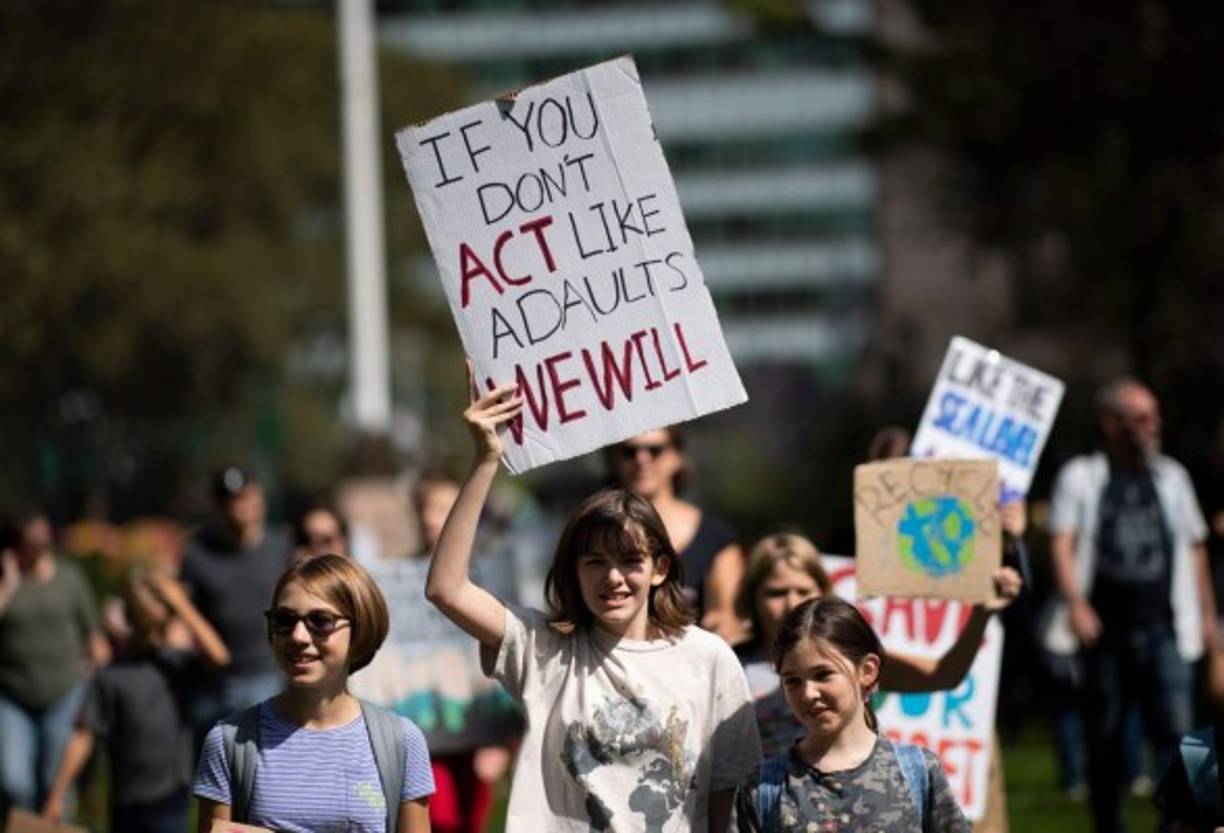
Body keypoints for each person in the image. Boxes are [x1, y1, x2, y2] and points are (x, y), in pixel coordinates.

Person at [426, 376, 762, 833]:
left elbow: (731, 788)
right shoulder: (543, 648)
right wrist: (486, 459)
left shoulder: (709, 659)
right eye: (595, 562)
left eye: (630, 560)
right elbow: (447, 588)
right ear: (572, 570)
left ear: (660, 567)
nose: (613, 578)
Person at [1045, 378, 1216, 833]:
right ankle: (1109, 825)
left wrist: (1207, 619)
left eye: (1154, 416)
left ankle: (1176, 826)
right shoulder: (1081, 477)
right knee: (1106, 738)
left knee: (1179, 740)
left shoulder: (1172, 477)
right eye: (1141, 417)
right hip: (1105, 633)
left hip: (1165, 628)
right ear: (1111, 424)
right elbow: (1062, 542)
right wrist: (1076, 605)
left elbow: (1196, 548)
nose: (1152, 426)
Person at [194, 553, 434, 832]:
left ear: (360, 630)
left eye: (320, 621)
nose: (298, 636)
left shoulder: (401, 742)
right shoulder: (230, 742)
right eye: (284, 620)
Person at [734, 532, 1023, 758]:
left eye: (803, 590)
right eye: (776, 592)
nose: (791, 602)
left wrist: (981, 614)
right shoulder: (731, 663)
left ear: (823, 592)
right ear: (752, 597)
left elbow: (943, 675)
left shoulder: (848, 656)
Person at [351, 470, 524, 833]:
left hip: (480, 728)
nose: (432, 519)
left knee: (469, 821)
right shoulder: (393, 578)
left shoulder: (491, 573)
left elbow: (510, 650)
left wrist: (503, 740)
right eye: (426, 509)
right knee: (438, 820)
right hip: (421, 732)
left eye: (444, 508)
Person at [735, 596, 970, 832]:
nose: (808, 693)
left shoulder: (918, 772)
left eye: (823, 674)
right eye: (793, 681)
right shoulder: (764, 787)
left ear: (867, 671)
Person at [41, 568, 230, 832]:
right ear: (129, 620)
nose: (150, 636)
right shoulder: (111, 675)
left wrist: (180, 604)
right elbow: (84, 735)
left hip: (171, 799)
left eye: (156, 627)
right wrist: (56, 795)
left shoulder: (177, 664)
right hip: (125, 803)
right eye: (143, 627)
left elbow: (219, 657)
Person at [0, 508, 110, 817]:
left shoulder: (69, 578)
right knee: (14, 780)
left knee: (56, 782)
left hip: (64, 693)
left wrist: (98, 672)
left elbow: (94, 638)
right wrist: (8, 584)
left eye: (43, 541)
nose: (39, 548)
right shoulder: (6, 582)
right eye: (31, 542)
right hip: (13, 699)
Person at [181, 465, 292, 738]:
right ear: (219, 506)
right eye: (232, 500)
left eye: (246, 497)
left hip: (265, 676)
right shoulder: (198, 553)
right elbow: (185, 613)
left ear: (259, 498)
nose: (241, 506)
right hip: (212, 684)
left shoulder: (281, 547)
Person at [608, 426, 745, 641]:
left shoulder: (715, 538)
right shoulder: (593, 534)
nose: (641, 459)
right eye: (629, 451)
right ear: (614, 459)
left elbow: (729, 623)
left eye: (655, 450)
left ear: (677, 457)